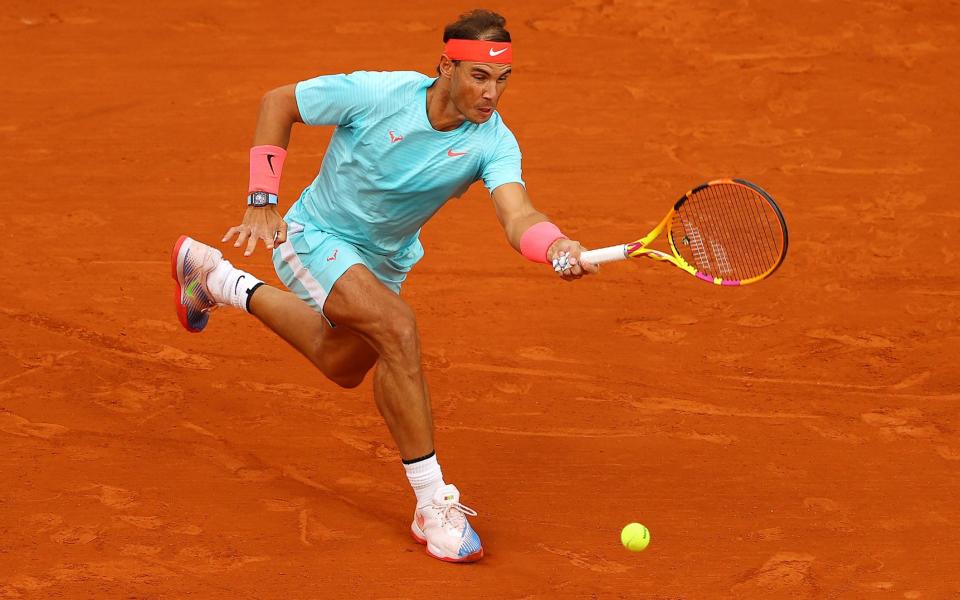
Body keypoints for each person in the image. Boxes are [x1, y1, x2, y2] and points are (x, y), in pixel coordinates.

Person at [171, 9, 597, 563]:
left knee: (341, 364)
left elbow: (518, 215)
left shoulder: (494, 143)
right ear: (445, 66)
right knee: (398, 328)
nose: (491, 94)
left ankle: (216, 278)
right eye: (479, 77)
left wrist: (557, 243)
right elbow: (280, 102)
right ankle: (432, 506)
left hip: (385, 261)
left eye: (501, 80)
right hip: (312, 235)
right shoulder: (377, 93)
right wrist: (262, 200)